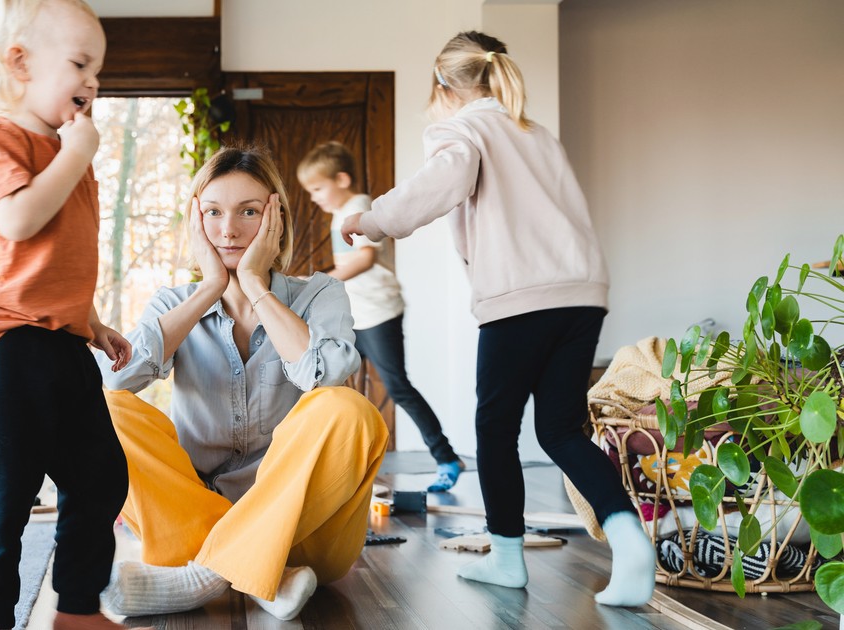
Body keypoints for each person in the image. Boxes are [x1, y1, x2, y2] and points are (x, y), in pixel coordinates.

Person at [341, 31, 654, 607]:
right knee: (560, 428)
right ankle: (630, 541)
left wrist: (373, 217)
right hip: (582, 292)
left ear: (444, 86)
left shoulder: (463, 128)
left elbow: (441, 183)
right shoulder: (536, 134)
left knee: (495, 428)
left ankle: (508, 559)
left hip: (522, 297)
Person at [95, 147, 389, 621]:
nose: (228, 230)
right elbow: (116, 378)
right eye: (212, 212)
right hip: (189, 524)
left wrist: (256, 285)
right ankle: (263, 576)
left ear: (276, 220)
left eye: (248, 212)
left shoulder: (321, 294)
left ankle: (206, 576)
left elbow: (326, 377)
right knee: (104, 408)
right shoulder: (174, 302)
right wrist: (209, 288)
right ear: (195, 220)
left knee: (349, 410)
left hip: (302, 533)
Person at [0, 1, 132, 628]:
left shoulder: (64, 154)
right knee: (5, 503)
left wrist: (93, 320)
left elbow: (59, 261)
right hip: (4, 349)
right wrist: (75, 156)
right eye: (80, 64)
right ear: (20, 63)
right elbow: (19, 220)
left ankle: (76, 609)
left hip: (62, 344)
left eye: (99, 71)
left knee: (102, 479)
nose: (92, 83)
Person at [298, 141, 465, 492]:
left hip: (378, 313)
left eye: (317, 188)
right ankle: (333, 465)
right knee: (326, 383)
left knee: (397, 387)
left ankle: (446, 456)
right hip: (353, 316)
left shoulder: (358, 207)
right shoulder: (338, 213)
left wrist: (317, 283)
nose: (314, 197)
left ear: (341, 180)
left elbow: (364, 259)